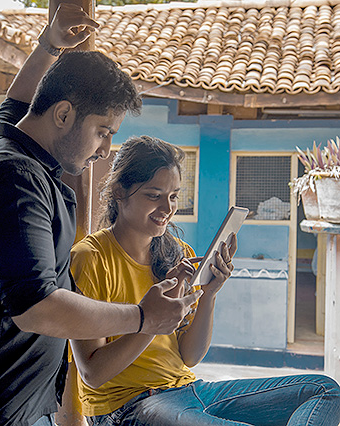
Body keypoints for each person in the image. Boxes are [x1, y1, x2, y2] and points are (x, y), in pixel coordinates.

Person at [0, 5, 200, 426]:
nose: (105, 150)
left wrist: (49, 45)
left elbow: (17, 104)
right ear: (63, 114)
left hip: (1, 402)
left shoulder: (12, 143)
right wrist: (143, 317)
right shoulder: (12, 178)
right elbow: (36, 307)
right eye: (103, 131)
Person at [69, 135, 340, 426]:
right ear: (120, 192)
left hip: (189, 391)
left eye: (173, 196)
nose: (167, 208)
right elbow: (92, 374)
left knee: (325, 391)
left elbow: (189, 356)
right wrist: (150, 322)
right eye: (153, 195)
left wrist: (209, 294)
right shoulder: (91, 258)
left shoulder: (177, 254)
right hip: (129, 406)